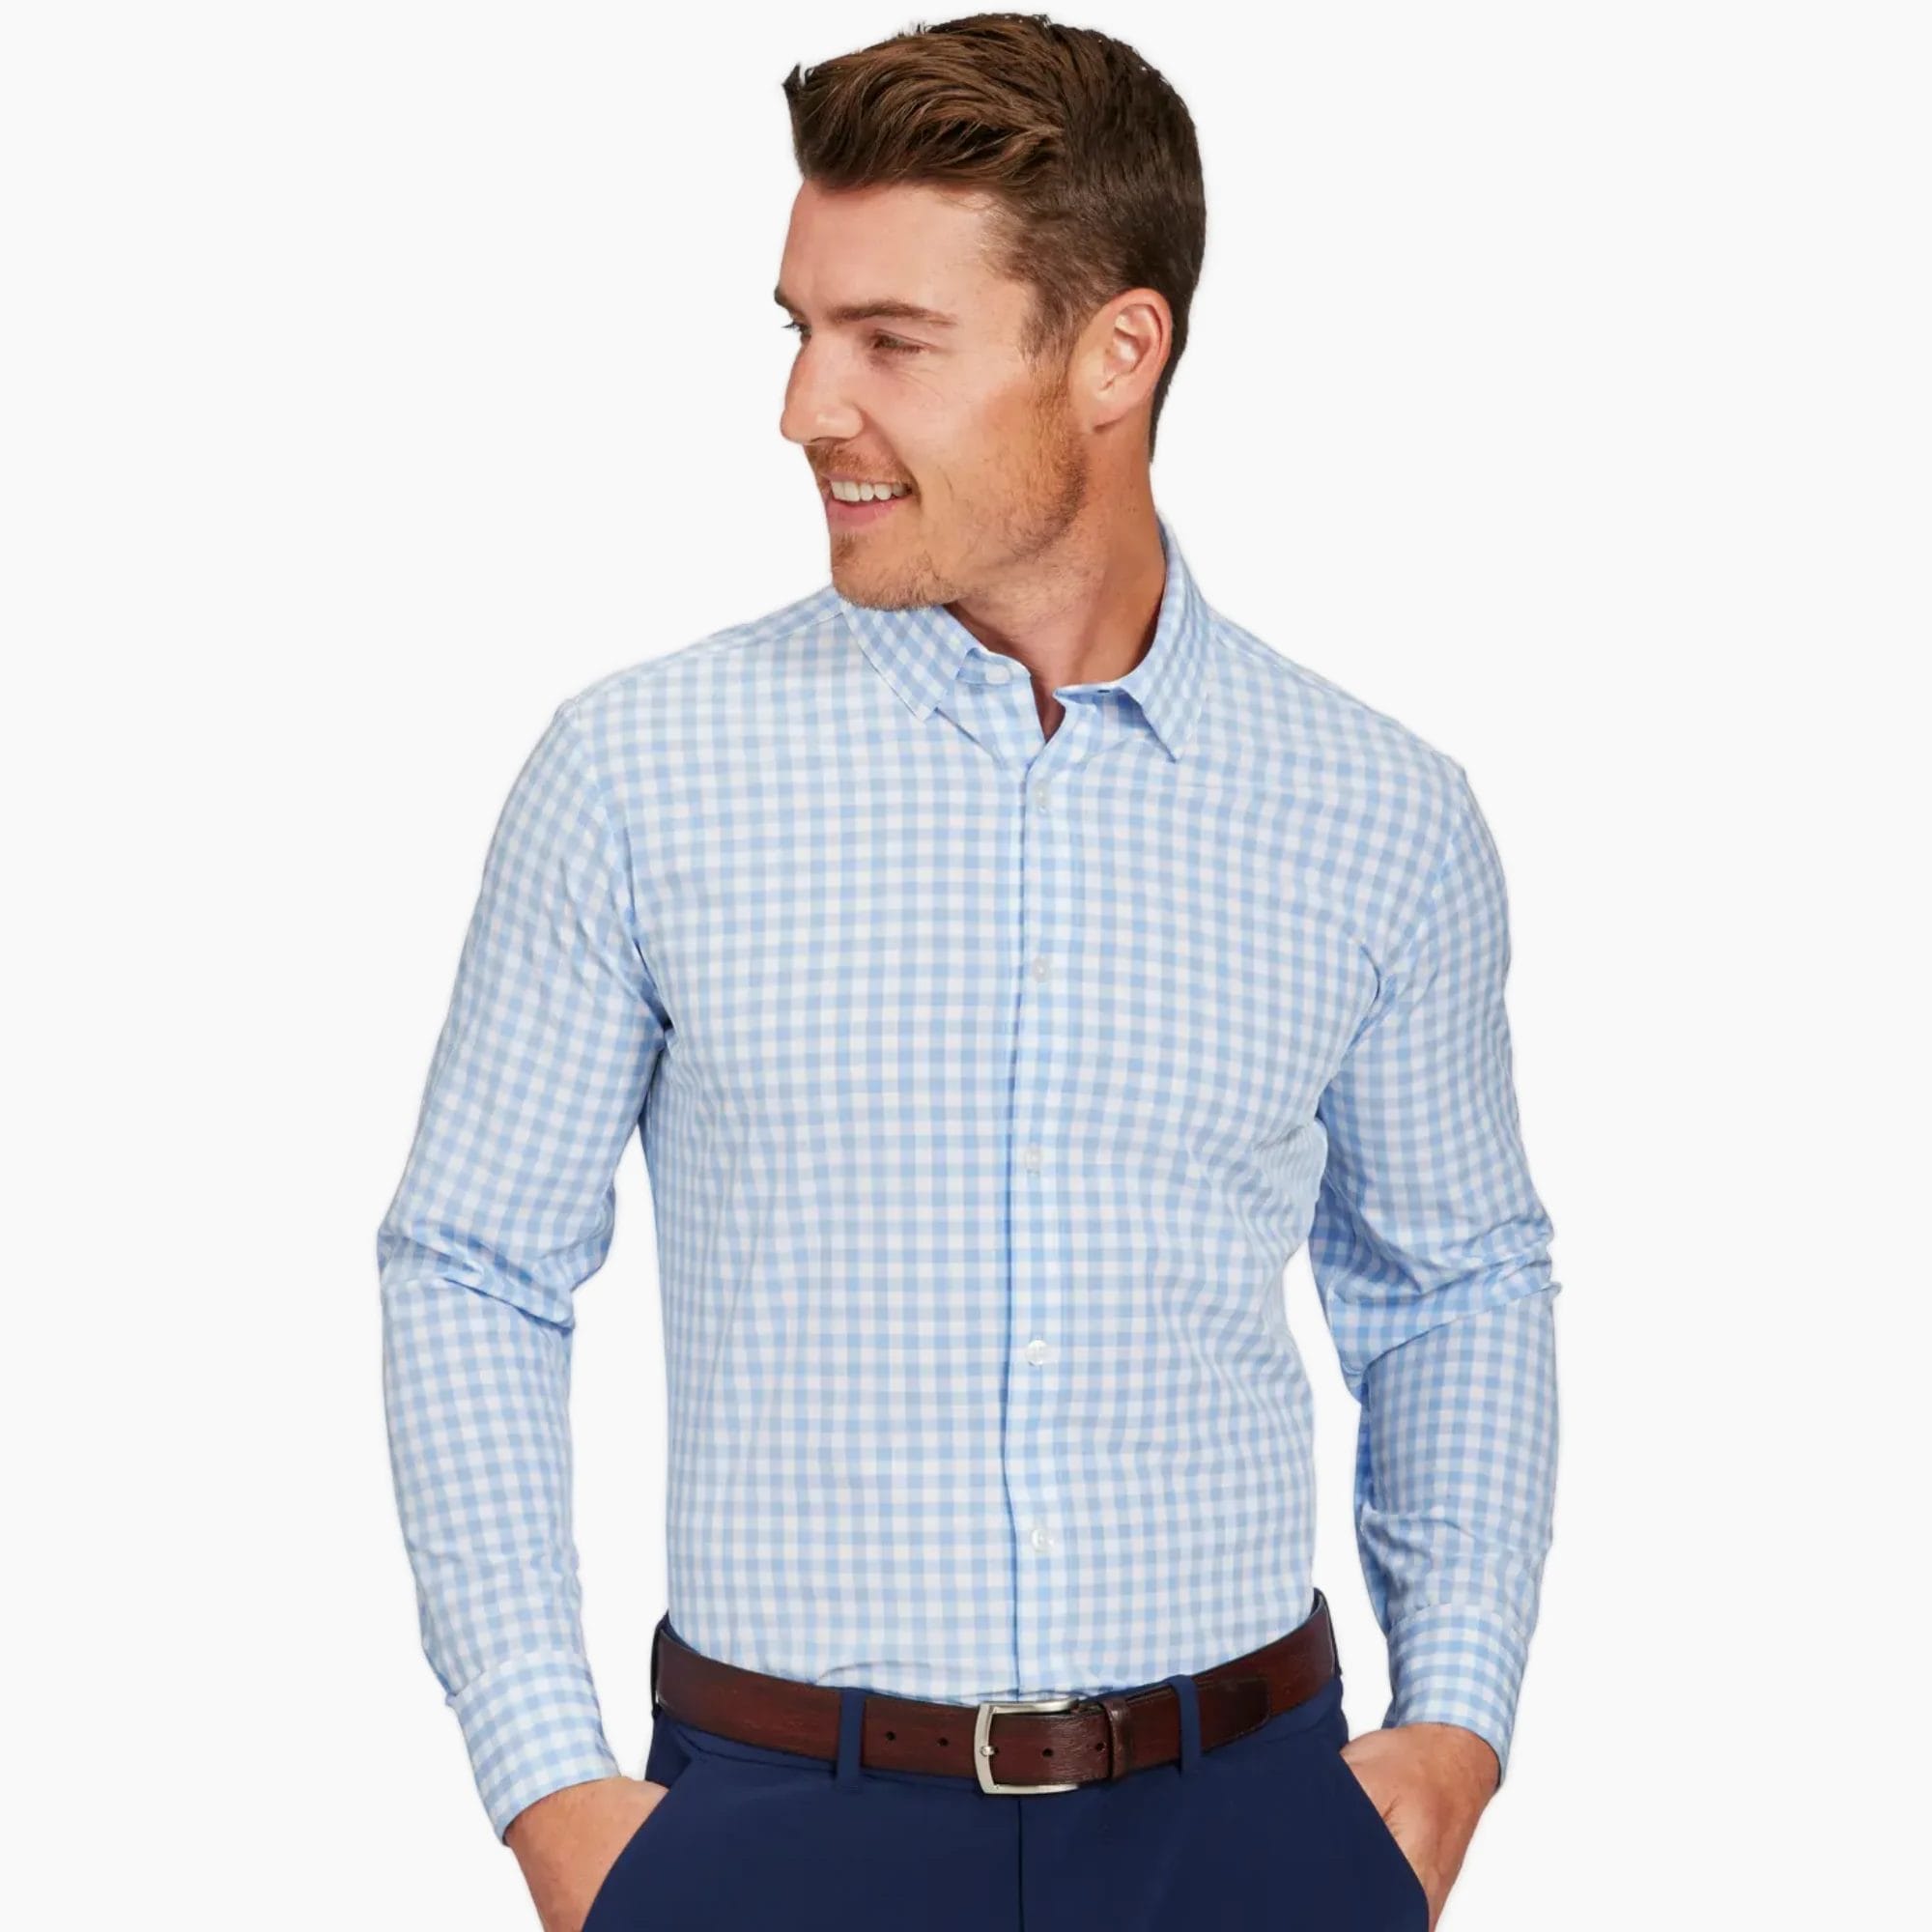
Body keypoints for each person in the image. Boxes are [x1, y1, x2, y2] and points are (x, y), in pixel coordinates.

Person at [377, 14, 1561, 1930]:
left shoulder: (1378, 812)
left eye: (891, 342)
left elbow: (1456, 1276)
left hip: (1248, 1821)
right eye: (800, 330)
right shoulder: (636, 774)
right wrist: (550, 1788)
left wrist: (1455, 1731)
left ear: (1117, 352)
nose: (805, 411)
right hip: (774, 1828)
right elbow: (474, 1263)